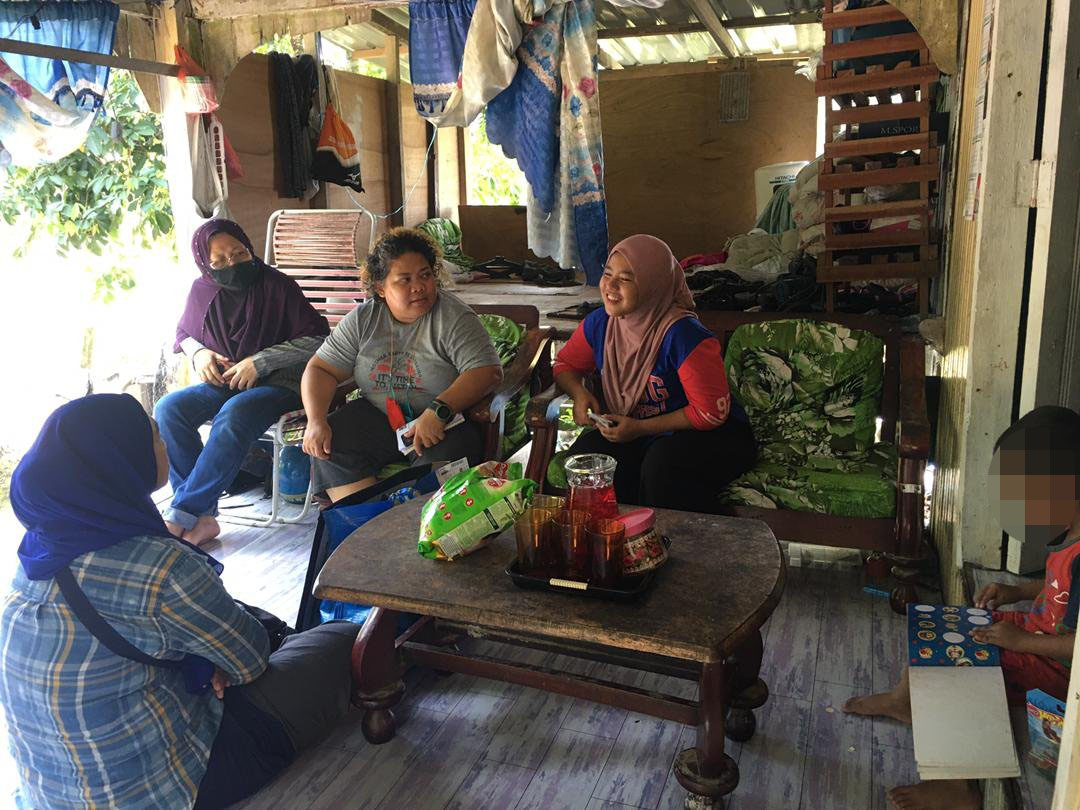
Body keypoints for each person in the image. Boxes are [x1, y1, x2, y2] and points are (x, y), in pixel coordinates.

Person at [0, 394, 360, 809]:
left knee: (220, 630)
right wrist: (211, 664)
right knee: (342, 639)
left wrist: (203, 662)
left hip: (51, 796)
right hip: (159, 790)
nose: (165, 445)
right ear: (122, 461)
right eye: (155, 437)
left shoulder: (34, 555)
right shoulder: (161, 565)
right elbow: (250, 660)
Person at [844, 406, 1080, 810]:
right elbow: (1058, 587)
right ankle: (904, 698)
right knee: (941, 625)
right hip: (1034, 630)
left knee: (958, 668)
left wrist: (1020, 642)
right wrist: (1016, 590)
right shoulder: (1070, 534)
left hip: (1056, 669)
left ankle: (958, 787)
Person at [552, 234, 756, 512]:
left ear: (653, 284)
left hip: (706, 434)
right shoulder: (601, 324)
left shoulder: (684, 335)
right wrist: (579, 393)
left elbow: (709, 413)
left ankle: (688, 536)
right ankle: (615, 534)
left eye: (625, 279)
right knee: (589, 459)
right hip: (635, 431)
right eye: (607, 274)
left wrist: (639, 428)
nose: (610, 285)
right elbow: (565, 365)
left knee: (662, 468)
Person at [157, 219, 330, 546]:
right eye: (219, 261)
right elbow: (184, 334)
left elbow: (318, 339)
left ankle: (181, 513)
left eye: (239, 253)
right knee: (169, 409)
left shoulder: (277, 285)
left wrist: (261, 361)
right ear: (205, 264)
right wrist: (199, 354)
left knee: (235, 412)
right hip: (227, 381)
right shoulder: (202, 290)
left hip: (283, 383)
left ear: (249, 248)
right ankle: (203, 517)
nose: (232, 264)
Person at [302, 228, 503, 503]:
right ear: (380, 288)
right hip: (379, 415)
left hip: (444, 424)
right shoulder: (363, 320)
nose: (418, 286)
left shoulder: (454, 318)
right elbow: (320, 369)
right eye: (404, 280)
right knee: (331, 442)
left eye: (425, 275)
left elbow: (487, 371)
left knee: (438, 470)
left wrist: (439, 411)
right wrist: (315, 420)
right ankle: (364, 521)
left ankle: (419, 523)